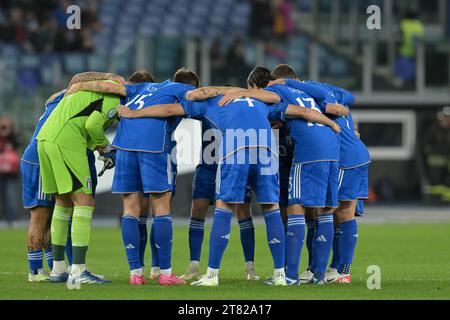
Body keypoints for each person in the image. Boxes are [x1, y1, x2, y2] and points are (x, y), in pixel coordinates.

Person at [118, 66, 340, 287]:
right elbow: (302, 112)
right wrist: (331, 123)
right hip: (266, 150)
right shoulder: (262, 100)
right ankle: (280, 274)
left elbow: (168, 110)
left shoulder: (212, 102)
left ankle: (212, 275)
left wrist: (135, 113)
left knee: (224, 206)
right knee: (271, 207)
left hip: (236, 146)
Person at [229, 65, 347, 285]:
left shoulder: (278, 93)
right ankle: (319, 274)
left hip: (309, 150)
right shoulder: (303, 91)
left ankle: (290, 275)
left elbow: (284, 104)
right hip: (331, 148)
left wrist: (241, 93)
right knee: (326, 210)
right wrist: (332, 123)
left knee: (295, 208)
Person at [21, 71, 122, 282]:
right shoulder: (115, 98)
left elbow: (83, 123)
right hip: (65, 143)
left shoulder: (70, 95)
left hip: (44, 141)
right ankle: (78, 270)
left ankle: (58, 269)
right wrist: (106, 146)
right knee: (84, 201)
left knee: (63, 203)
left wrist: (101, 150)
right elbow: (91, 126)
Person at [280, 70, 370, 284]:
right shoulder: (328, 90)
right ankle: (334, 269)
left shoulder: (310, 100)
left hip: (343, 157)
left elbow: (329, 109)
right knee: (341, 213)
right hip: (358, 154)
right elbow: (348, 99)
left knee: (334, 212)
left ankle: (329, 270)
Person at [0, 115, 21, 228]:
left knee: (11, 198)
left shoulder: (14, 134)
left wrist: (9, 131)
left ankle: (12, 220)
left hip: (11, 174)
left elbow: (18, 144)